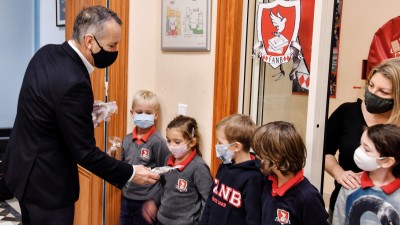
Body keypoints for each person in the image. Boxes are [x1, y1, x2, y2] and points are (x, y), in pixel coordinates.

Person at [1, 6, 159, 225]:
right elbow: (85, 153)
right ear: (89, 41)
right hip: (47, 187)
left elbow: (43, 107)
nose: (115, 51)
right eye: (112, 45)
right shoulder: (74, 81)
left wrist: (80, 113)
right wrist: (130, 172)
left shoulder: (46, 53)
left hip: (21, 168)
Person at [324, 58, 400, 216]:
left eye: (383, 92)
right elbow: (324, 151)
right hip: (345, 204)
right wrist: (339, 173)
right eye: (371, 85)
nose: (372, 94)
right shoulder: (347, 113)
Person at [252, 121, 328, 225]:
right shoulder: (268, 181)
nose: (257, 157)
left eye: (260, 153)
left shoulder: (308, 197)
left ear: (277, 158)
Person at [142, 115, 213, 225]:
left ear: (192, 142)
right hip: (161, 220)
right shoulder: (167, 160)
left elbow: (208, 200)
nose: (171, 146)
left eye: (177, 142)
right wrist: (154, 202)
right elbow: (163, 187)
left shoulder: (199, 168)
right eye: (169, 141)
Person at [199, 114, 264, 225]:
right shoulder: (224, 166)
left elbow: (252, 218)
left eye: (220, 143)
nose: (217, 145)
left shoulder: (254, 178)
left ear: (237, 147)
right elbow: (210, 200)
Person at [119, 90, 170, 225]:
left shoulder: (157, 142)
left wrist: (155, 201)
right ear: (132, 113)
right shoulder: (127, 139)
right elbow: (123, 166)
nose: (143, 116)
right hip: (127, 199)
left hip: (146, 203)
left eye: (148, 113)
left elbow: (165, 173)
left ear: (156, 115)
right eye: (139, 112)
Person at [332, 124, 400, 225]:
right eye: (360, 144)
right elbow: (338, 221)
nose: (359, 151)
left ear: (387, 161)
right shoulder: (350, 184)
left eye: (367, 150)